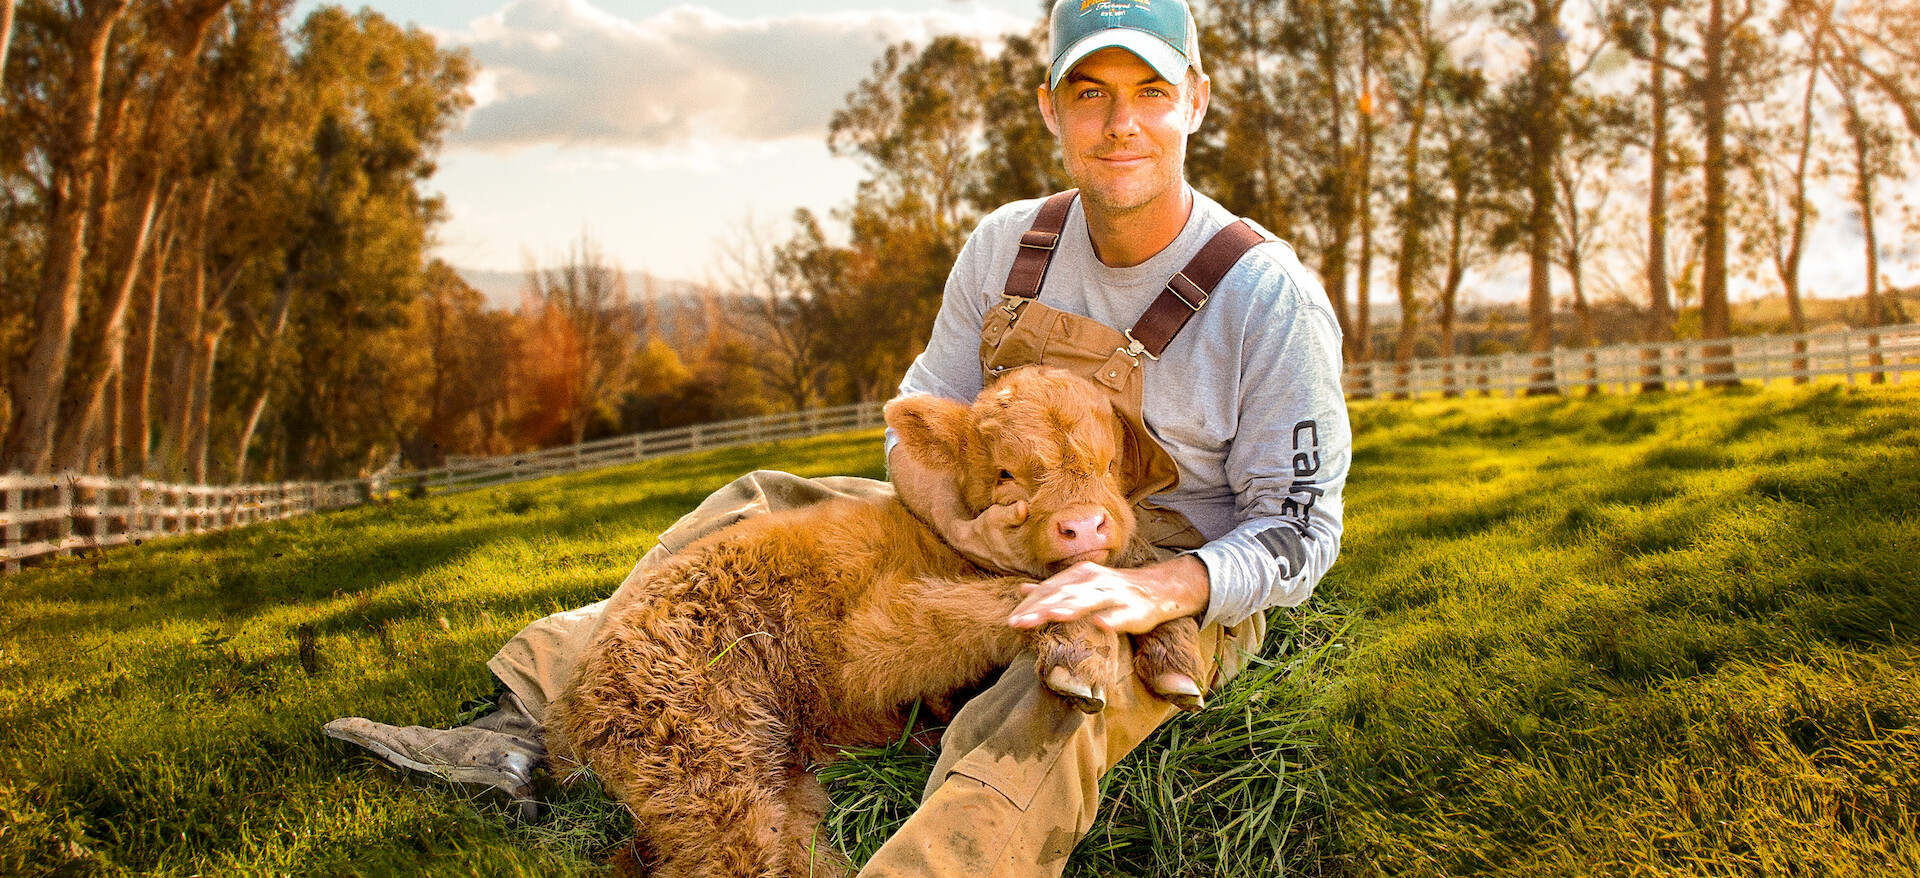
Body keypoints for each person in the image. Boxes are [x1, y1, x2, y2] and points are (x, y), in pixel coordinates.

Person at [324, 0, 1349, 873]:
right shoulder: (1012, 245)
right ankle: (515, 731)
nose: (1120, 122)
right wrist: (963, 526)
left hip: (1167, 562)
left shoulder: (1265, 299)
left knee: (1062, 691)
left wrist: (1154, 590)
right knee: (759, 499)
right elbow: (917, 422)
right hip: (996, 521)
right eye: (1091, 93)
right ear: (1051, 108)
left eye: (1150, 92)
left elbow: (1302, 530)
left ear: (1194, 100)